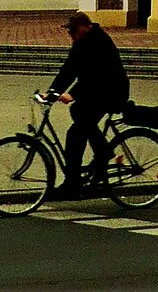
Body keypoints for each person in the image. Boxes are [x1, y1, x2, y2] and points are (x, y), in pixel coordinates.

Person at [48, 11, 128, 194]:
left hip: (112, 91)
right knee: (79, 116)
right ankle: (102, 153)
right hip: (98, 91)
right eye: (70, 33)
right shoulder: (82, 42)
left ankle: (73, 182)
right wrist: (52, 92)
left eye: (74, 31)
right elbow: (69, 69)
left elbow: (95, 76)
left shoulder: (98, 42)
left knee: (76, 131)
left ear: (85, 26)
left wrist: (73, 94)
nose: (72, 36)